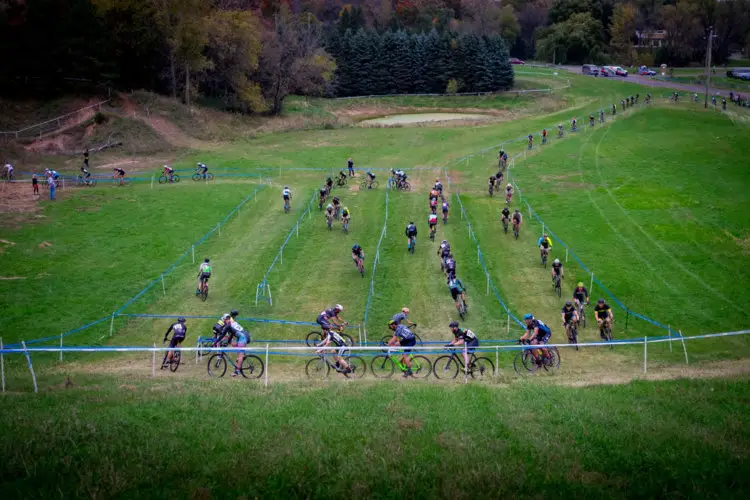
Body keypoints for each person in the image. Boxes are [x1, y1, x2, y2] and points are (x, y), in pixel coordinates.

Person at [224, 310, 251, 376]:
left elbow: (231, 334)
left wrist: (227, 342)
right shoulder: (232, 322)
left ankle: (237, 371)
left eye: (225, 320)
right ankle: (241, 357)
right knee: (233, 344)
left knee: (240, 355)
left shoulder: (230, 323)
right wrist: (228, 342)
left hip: (243, 337)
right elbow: (232, 335)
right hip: (243, 335)